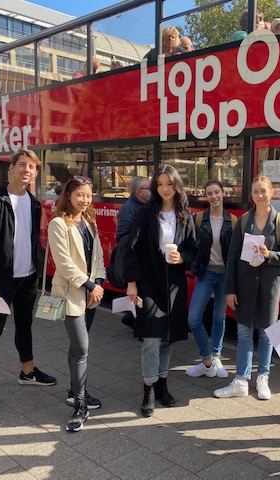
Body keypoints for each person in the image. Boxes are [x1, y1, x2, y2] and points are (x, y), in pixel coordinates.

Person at [0, 148, 57, 414]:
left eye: (32, 167)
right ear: (11, 168)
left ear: (36, 173)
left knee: (25, 325)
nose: (26, 170)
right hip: (0, 281)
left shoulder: (34, 203)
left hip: (28, 277)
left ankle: (27, 372)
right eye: (22, 165)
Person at [123, 165, 197, 417]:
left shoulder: (184, 215)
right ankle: (149, 389)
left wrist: (182, 258)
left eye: (169, 184)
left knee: (167, 337)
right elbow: (131, 249)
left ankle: (162, 385)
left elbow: (194, 250)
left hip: (174, 284)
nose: (165, 189)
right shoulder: (145, 214)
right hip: (149, 283)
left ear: (177, 186)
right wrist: (131, 282)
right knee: (151, 338)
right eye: (160, 184)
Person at [214, 176, 280, 400]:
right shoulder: (243, 221)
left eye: (263, 191)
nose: (260, 195)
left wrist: (270, 255)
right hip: (245, 286)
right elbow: (232, 258)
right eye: (256, 191)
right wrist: (230, 289)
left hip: (269, 288)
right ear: (251, 195)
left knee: (267, 334)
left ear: (272, 193)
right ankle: (241, 379)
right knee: (243, 332)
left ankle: (263, 378)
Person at [48, 176, 106, 432]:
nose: (84, 200)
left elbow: (99, 257)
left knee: (76, 347)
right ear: (69, 196)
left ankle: (75, 391)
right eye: (80, 195)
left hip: (90, 296)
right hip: (72, 294)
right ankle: (80, 405)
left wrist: (99, 283)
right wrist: (92, 286)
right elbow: (64, 264)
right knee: (82, 348)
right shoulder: (58, 224)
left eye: (88, 195)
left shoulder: (89, 223)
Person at [185, 180, 237, 379]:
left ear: (223, 193)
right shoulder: (198, 218)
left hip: (225, 276)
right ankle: (206, 360)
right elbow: (190, 245)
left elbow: (236, 252)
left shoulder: (232, 221)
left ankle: (216, 356)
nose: (214, 197)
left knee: (219, 317)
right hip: (206, 274)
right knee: (193, 318)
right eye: (210, 193)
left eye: (217, 192)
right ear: (206, 196)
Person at [116, 176, 151, 244]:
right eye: (149, 188)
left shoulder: (150, 205)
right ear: (139, 192)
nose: (152, 190)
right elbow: (122, 236)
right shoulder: (128, 209)